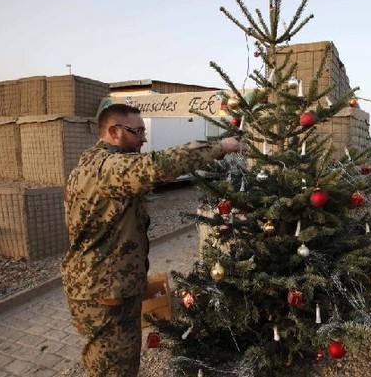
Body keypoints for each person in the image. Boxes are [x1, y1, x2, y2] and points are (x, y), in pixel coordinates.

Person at [61, 103, 241, 376]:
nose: (144, 138)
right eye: (137, 132)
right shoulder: (108, 168)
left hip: (108, 286)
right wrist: (220, 147)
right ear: (114, 131)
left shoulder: (92, 163)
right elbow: (159, 165)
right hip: (106, 292)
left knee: (117, 362)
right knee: (115, 368)